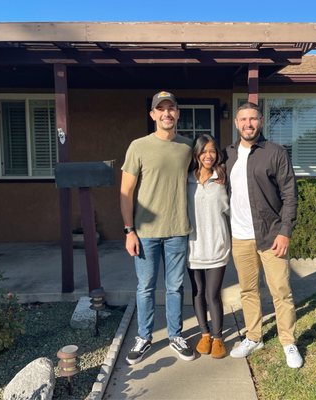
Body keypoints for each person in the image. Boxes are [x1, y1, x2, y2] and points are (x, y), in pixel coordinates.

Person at [224, 102, 303, 368]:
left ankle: (288, 341)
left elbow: (290, 195)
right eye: (243, 119)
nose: (248, 124)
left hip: (271, 235)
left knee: (281, 290)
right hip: (240, 236)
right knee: (248, 290)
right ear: (236, 123)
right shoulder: (228, 154)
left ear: (261, 122)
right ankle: (254, 336)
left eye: (253, 119)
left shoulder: (275, 153)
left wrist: (285, 232)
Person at [120, 91, 195, 365]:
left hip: (178, 230)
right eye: (160, 109)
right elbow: (126, 192)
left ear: (177, 113)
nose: (166, 113)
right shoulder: (138, 146)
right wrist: (129, 230)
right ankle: (144, 337)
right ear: (152, 114)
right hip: (145, 233)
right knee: (146, 287)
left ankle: (175, 335)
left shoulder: (188, 147)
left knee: (175, 287)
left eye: (171, 108)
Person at [186, 134, 230, 359]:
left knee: (213, 294)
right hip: (193, 248)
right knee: (198, 292)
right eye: (204, 151)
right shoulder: (186, 180)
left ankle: (218, 337)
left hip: (217, 246)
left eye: (212, 151)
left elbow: (233, 211)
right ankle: (204, 334)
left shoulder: (222, 179)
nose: (208, 156)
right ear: (196, 154)